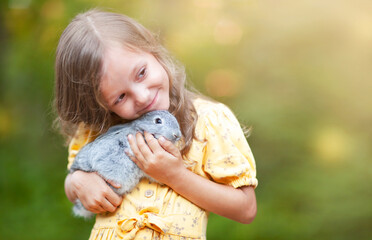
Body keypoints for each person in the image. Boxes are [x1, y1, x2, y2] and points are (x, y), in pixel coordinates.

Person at [55, 9, 258, 240]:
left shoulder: (208, 120)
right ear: (101, 105)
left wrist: (176, 176)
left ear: (153, 50)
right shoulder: (98, 130)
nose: (141, 96)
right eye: (120, 97)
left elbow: (246, 208)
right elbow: (73, 183)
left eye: (141, 73)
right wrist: (77, 182)